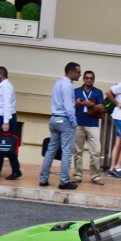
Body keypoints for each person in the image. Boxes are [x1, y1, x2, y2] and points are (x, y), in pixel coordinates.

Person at [39, 61, 80, 190]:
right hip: (65, 120)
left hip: (54, 119)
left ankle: (43, 179)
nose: (80, 75)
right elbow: (68, 106)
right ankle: (64, 181)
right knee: (67, 152)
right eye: (78, 72)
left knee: (50, 150)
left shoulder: (57, 83)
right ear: (71, 72)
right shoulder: (68, 85)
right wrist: (74, 122)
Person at [72, 70, 105, 185]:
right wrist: (76, 103)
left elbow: (102, 109)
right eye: (87, 78)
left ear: (94, 79)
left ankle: (95, 177)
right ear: (83, 79)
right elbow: (69, 105)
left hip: (93, 125)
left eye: (91, 78)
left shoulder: (98, 92)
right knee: (77, 151)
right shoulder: (76, 91)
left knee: (96, 151)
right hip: (78, 124)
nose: (89, 80)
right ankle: (78, 175)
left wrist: (92, 105)